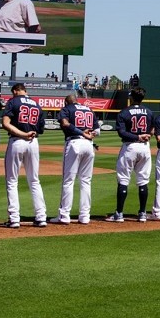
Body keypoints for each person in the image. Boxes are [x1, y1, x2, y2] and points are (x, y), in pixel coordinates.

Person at [2, 82, 47, 228]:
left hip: (17, 141)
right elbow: (40, 128)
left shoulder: (13, 101)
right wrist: (30, 133)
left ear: (15, 91)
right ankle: (41, 217)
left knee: (12, 181)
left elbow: (5, 123)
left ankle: (14, 219)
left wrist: (23, 134)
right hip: (33, 143)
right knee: (34, 181)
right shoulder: (36, 104)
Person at [107, 87, 153, 222]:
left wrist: (138, 136)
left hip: (130, 146)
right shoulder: (149, 112)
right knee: (143, 180)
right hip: (145, 147)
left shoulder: (124, 112)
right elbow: (152, 129)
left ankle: (119, 214)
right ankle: (142, 213)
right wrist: (147, 135)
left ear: (132, 98)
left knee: (123, 179)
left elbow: (121, 132)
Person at [57, 94, 100, 224]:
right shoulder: (88, 109)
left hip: (75, 143)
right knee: (86, 181)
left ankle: (64, 215)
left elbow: (64, 123)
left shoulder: (67, 109)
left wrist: (81, 132)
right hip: (88, 145)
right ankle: (85, 216)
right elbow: (98, 130)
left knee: (68, 181)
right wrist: (90, 134)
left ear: (66, 102)